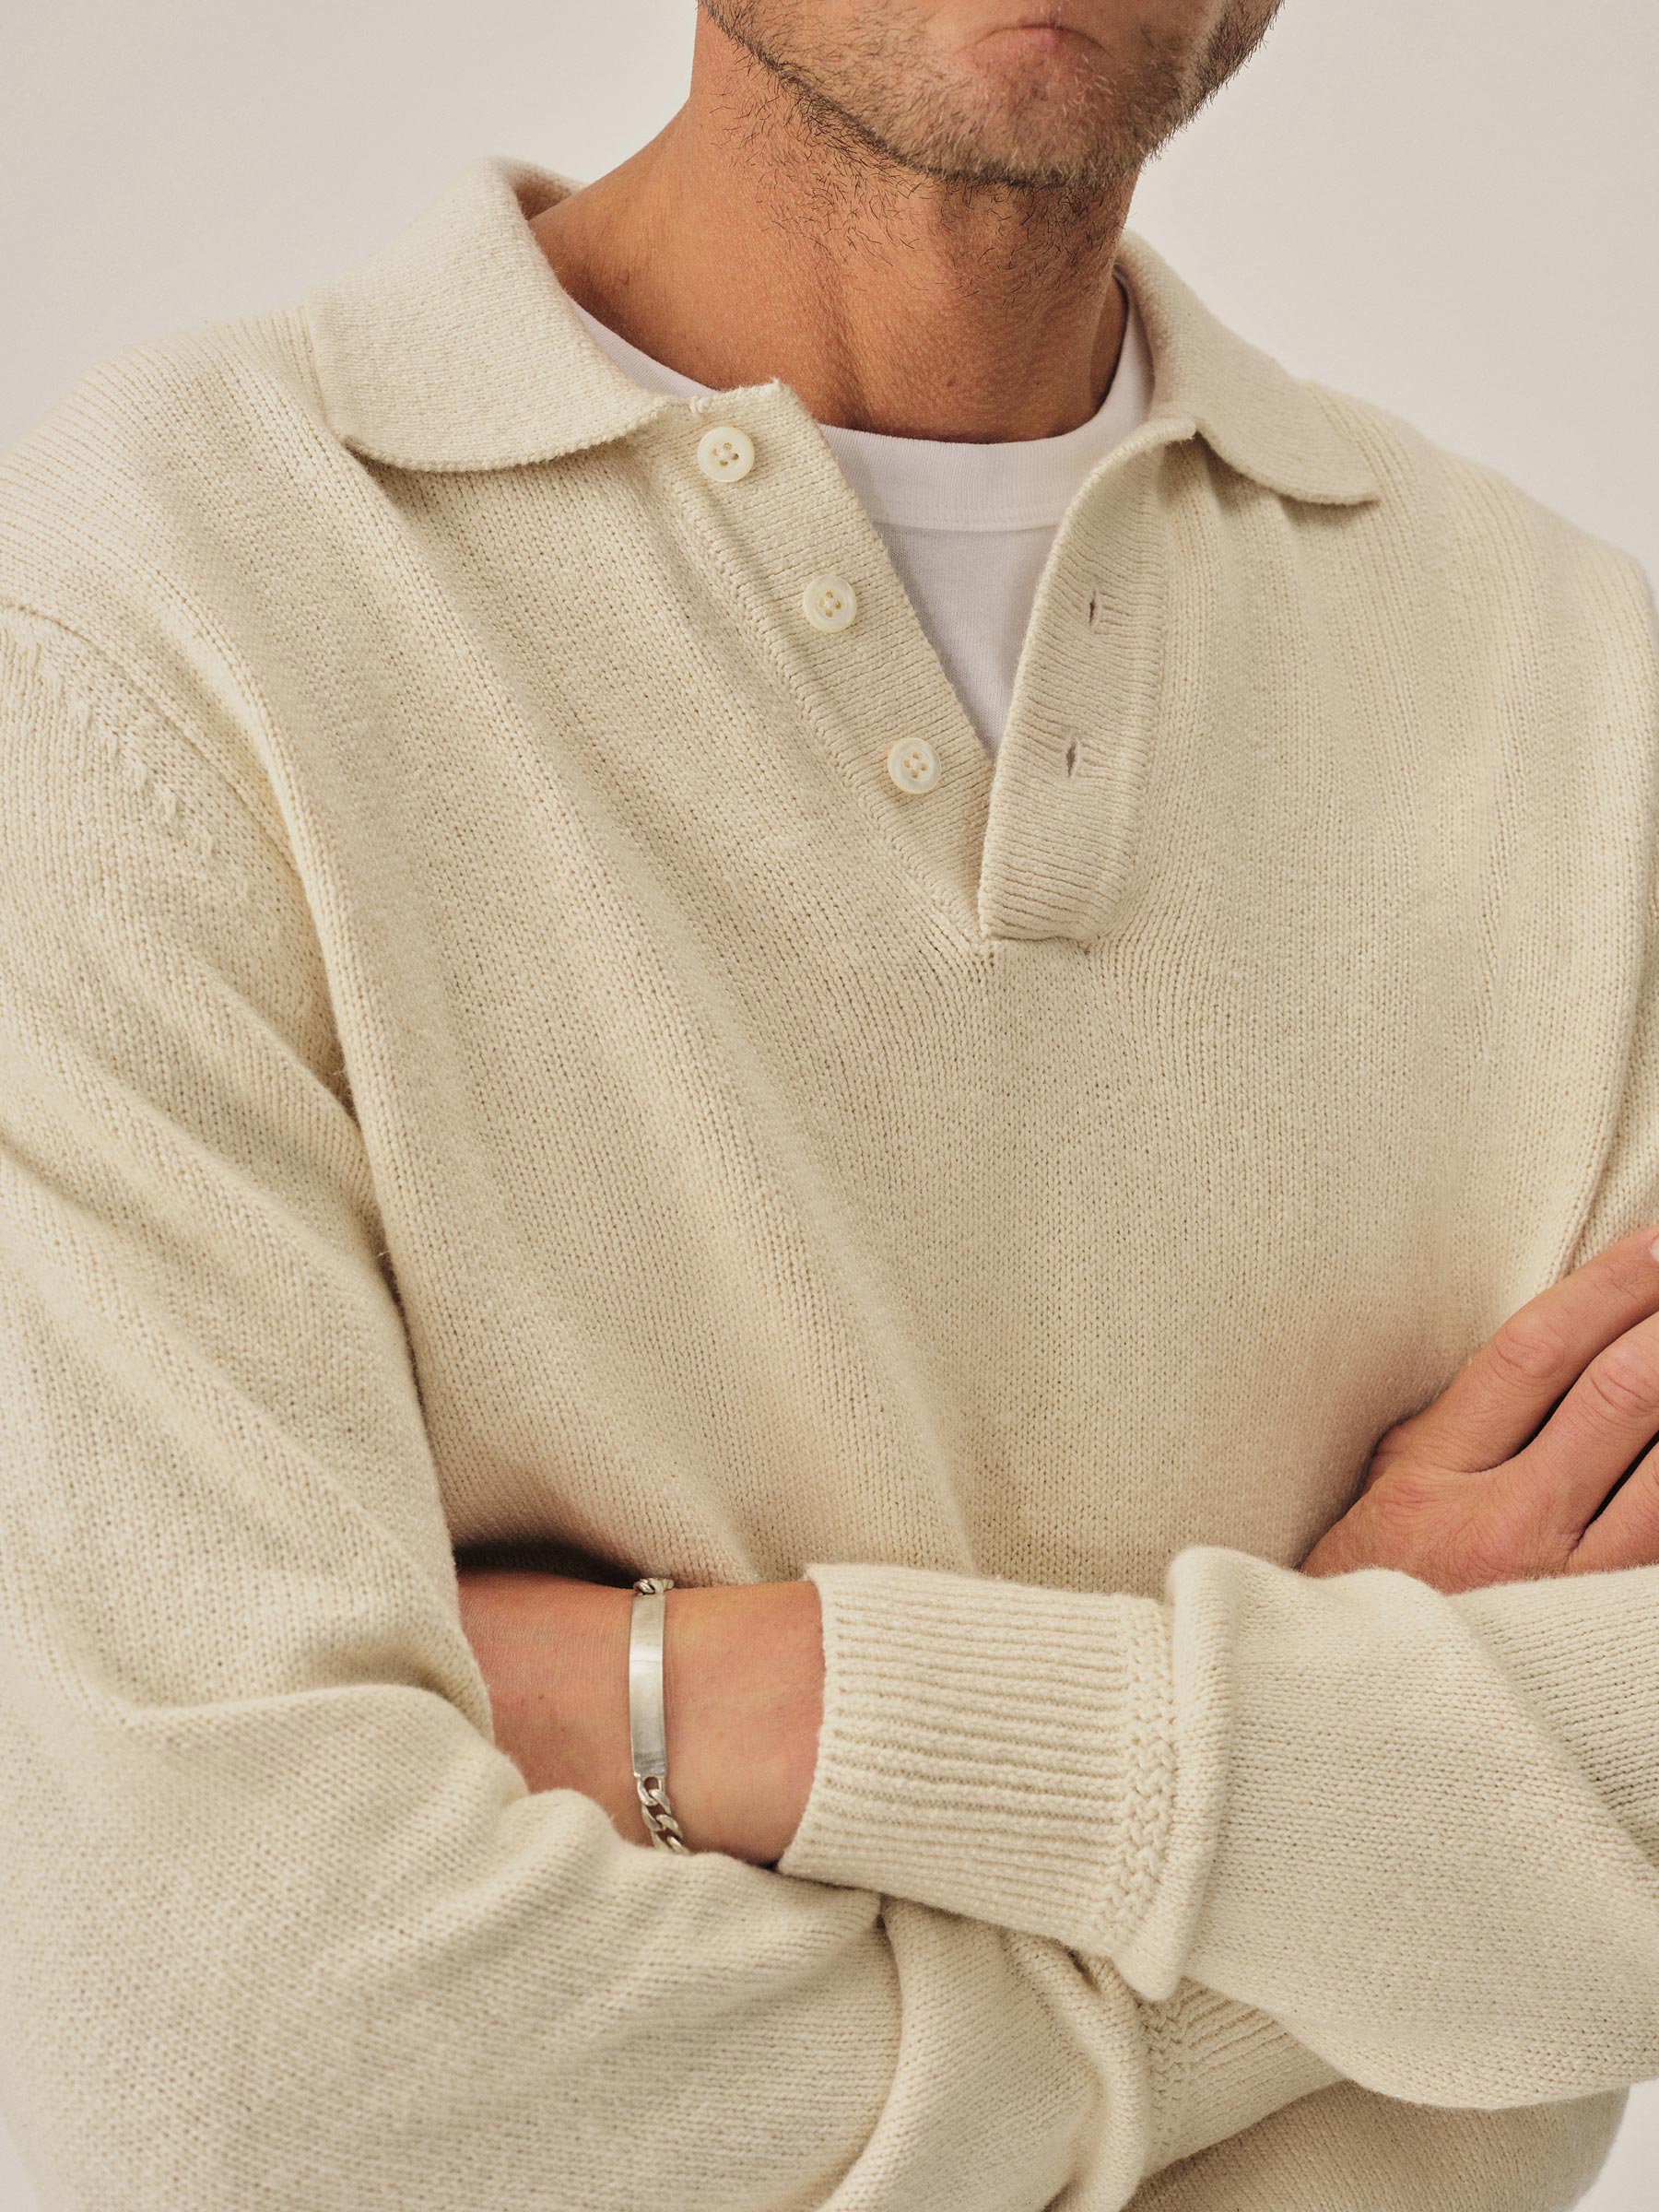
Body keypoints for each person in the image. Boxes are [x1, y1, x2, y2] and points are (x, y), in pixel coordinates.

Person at [2, 3, 1657, 2207]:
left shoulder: (1581, 697)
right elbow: (255, 2066)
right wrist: (1382, 1835)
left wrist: (735, 1702)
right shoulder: (148, 627)